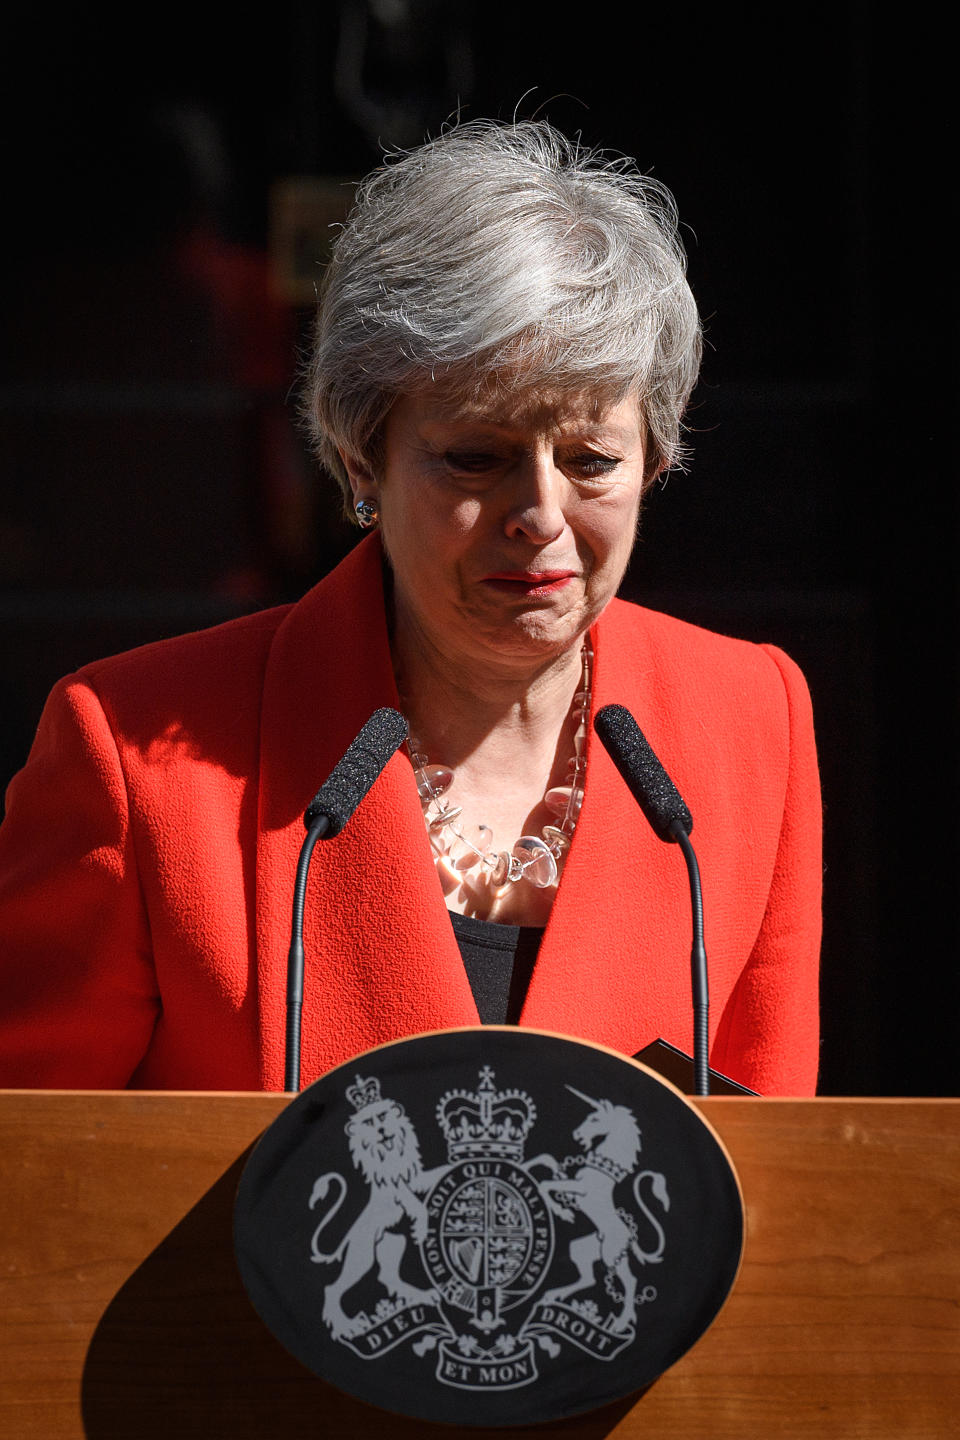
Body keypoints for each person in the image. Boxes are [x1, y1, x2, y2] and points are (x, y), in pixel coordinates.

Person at [0, 121, 821, 1095]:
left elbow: (775, 1184)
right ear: (362, 462)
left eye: (592, 460)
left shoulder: (750, 722)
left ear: (657, 459)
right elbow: (35, 1186)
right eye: (477, 457)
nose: (540, 516)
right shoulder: (137, 759)